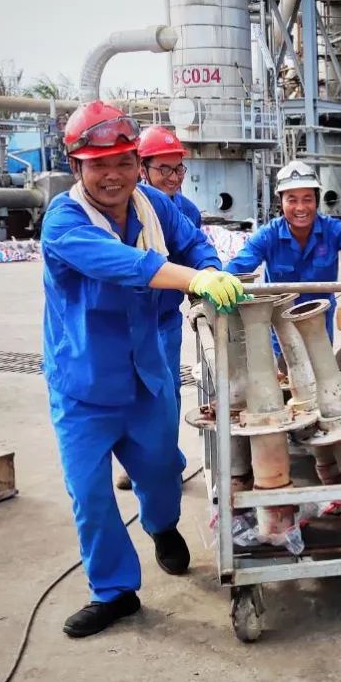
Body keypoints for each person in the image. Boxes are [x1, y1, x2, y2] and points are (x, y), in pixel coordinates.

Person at [41, 101, 244, 638]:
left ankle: (162, 526)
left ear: (137, 162)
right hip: (83, 385)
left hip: (147, 375)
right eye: (98, 165)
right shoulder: (63, 221)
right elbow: (125, 264)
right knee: (90, 494)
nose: (113, 175)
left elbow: (193, 242)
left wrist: (209, 272)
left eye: (123, 162)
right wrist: (190, 279)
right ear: (76, 166)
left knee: (159, 473)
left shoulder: (153, 204)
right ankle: (114, 591)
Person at [227, 160, 341, 344]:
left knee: (322, 362)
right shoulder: (269, 235)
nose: (300, 207)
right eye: (292, 200)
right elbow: (240, 265)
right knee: (282, 363)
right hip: (281, 333)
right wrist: (218, 281)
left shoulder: (332, 229)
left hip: (321, 330)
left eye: (307, 199)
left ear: (316, 200)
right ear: (281, 202)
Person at [114, 125, 205, 491]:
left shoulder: (187, 211)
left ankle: (166, 462)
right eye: (164, 169)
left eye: (178, 168)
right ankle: (138, 462)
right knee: (127, 392)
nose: (173, 177)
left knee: (165, 394)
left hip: (163, 319)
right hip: (123, 320)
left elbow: (195, 251)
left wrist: (208, 277)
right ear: (142, 168)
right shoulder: (124, 208)